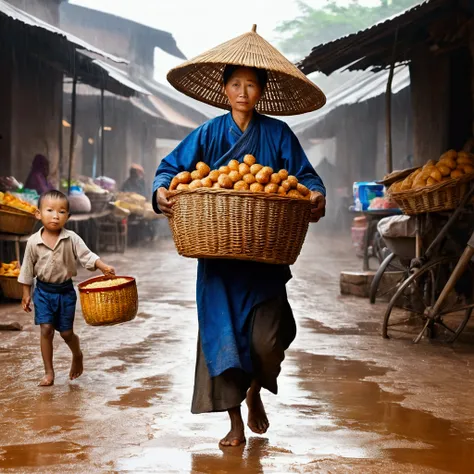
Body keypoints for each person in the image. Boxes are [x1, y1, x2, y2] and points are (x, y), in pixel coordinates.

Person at [153, 64, 326, 447]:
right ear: (225, 90)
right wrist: (160, 191)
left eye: (250, 85)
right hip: (218, 260)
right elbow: (169, 169)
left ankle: (255, 393)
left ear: (261, 91)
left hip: (264, 258)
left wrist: (315, 195)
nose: (243, 92)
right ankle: (234, 423)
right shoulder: (210, 133)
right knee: (223, 340)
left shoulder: (277, 133)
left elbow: (305, 176)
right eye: (236, 84)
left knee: (266, 342)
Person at [18, 190, 115, 387]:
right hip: (43, 292)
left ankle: (77, 354)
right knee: (46, 329)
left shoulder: (72, 238)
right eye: (50, 210)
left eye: (61, 212)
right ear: (38, 214)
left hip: (65, 292)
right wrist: (26, 294)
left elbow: (87, 255)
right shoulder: (33, 242)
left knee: (66, 333)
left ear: (68, 217)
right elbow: (27, 269)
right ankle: (49, 372)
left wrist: (102, 266)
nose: (55, 215)